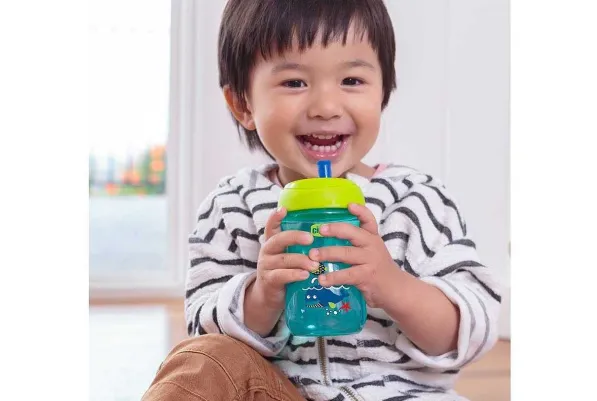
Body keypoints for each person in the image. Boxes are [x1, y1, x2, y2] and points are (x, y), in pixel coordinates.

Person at [142, 0, 501, 400]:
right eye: (295, 82)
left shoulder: (416, 200)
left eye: (352, 80)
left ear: (384, 89)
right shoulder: (231, 208)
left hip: (403, 395)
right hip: (280, 394)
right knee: (202, 363)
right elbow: (204, 337)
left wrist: (392, 285)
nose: (326, 108)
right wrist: (261, 296)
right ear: (243, 103)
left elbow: (473, 329)